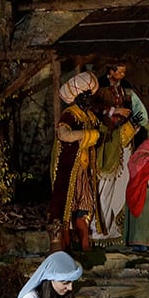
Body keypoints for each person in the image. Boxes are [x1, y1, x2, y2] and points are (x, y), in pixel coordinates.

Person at [92, 62, 149, 244]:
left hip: (123, 140)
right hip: (107, 143)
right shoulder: (98, 88)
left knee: (121, 184)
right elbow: (93, 110)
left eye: (125, 71)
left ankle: (113, 226)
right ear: (110, 71)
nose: (123, 75)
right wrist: (114, 111)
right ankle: (98, 227)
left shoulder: (125, 89)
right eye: (120, 71)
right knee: (105, 185)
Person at [49, 71, 104, 251]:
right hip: (70, 170)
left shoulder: (90, 117)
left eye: (90, 96)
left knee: (85, 207)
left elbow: (101, 132)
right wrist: (87, 135)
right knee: (66, 207)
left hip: (85, 171)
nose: (89, 100)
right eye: (85, 96)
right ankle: (64, 246)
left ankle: (85, 245)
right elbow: (63, 134)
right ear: (78, 98)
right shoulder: (70, 115)